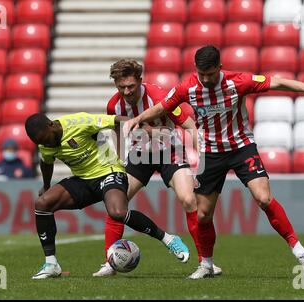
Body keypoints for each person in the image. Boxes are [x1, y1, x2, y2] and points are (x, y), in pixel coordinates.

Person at [123, 45, 304, 279]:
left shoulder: (237, 81)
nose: (206, 79)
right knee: (203, 215)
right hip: (211, 154)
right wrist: (137, 119)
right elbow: (162, 106)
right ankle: (207, 265)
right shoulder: (187, 87)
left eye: (211, 73)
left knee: (263, 198)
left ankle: (301, 253)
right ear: (196, 70)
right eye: (202, 74)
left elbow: (279, 82)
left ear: (219, 67)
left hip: (241, 147)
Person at [93, 59, 222, 277]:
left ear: (140, 81)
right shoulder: (113, 105)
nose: (126, 91)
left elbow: (189, 126)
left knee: (190, 200)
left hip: (170, 152)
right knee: (115, 201)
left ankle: (205, 263)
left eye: (131, 86)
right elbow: (116, 131)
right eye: (121, 87)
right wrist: (119, 160)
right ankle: (110, 261)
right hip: (139, 156)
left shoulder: (159, 97)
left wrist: (201, 161)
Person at [24, 112, 190, 279]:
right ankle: (51, 264)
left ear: (52, 125)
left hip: (109, 172)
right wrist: (46, 186)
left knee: (117, 212)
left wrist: (141, 128)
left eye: (47, 139)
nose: (47, 144)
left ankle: (168, 239)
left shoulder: (79, 122)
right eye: (41, 142)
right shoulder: (44, 144)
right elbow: (46, 162)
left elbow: (118, 120)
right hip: (83, 180)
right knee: (42, 203)